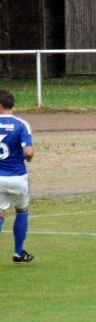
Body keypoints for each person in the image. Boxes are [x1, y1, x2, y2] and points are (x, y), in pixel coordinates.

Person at [0, 89, 34, 262]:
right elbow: (28, 152)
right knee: (22, 210)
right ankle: (18, 252)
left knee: (0, 213)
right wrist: (27, 157)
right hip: (17, 177)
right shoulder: (21, 124)